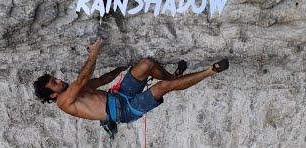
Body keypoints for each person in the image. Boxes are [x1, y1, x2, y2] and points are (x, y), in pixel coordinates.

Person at [33, 37, 229, 138]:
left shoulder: (71, 91)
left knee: (146, 64)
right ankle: (211, 70)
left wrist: (121, 68)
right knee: (163, 87)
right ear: (52, 95)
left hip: (121, 94)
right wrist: (93, 54)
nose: (59, 80)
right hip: (126, 111)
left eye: (55, 78)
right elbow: (83, 79)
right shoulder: (64, 102)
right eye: (55, 83)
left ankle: (175, 76)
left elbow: (101, 80)